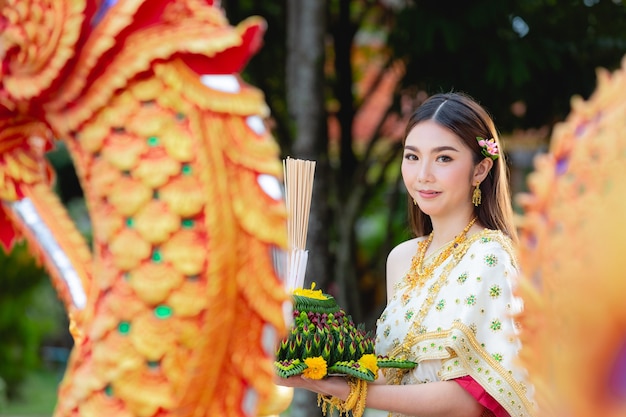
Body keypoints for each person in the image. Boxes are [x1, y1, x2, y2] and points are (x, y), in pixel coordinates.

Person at [277, 92, 534, 417]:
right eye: (412, 157)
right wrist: (310, 358)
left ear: (480, 170)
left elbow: (470, 401)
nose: (423, 174)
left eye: (444, 158)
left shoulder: (490, 256)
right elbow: (393, 373)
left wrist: (345, 390)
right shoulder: (402, 258)